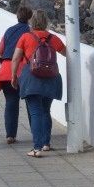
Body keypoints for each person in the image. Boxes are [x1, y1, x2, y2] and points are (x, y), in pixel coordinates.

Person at [12, 9, 66, 158]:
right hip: (51, 78)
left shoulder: (25, 37)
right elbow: (67, 53)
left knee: (35, 112)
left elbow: (16, 58)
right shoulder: (53, 38)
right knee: (45, 111)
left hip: (31, 79)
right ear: (46, 22)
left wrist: (13, 76)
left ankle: (37, 148)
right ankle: (46, 143)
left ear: (32, 21)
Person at [0, 5, 32, 144]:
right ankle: (37, 133)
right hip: (25, 71)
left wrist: (4, 65)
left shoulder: (9, 31)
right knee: (32, 103)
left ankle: (10, 135)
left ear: (17, 16)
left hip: (7, 70)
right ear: (30, 18)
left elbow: (0, 52)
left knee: (11, 102)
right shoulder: (31, 32)